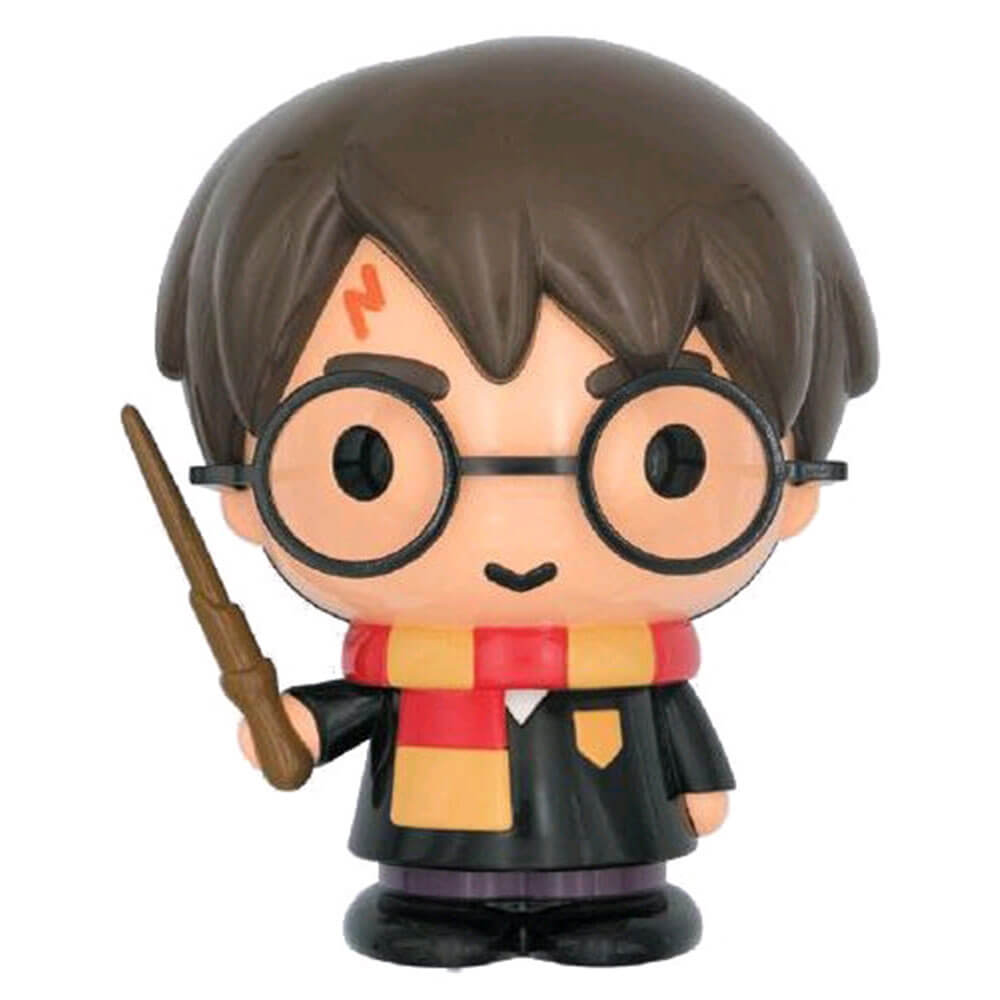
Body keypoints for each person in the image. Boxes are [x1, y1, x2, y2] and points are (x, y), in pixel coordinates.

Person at [156, 38, 878, 966]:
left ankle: (608, 904)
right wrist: (299, 722)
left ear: (792, 482)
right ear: (247, 489)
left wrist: (699, 783)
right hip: (429, 850)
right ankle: (437, 907)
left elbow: (676, 729)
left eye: (670, 456)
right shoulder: (408, 665)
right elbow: (357, 710)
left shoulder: (629, 665)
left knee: (614, 903)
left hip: (616, 848)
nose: (518, 530)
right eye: (365, 459)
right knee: (433, 906)